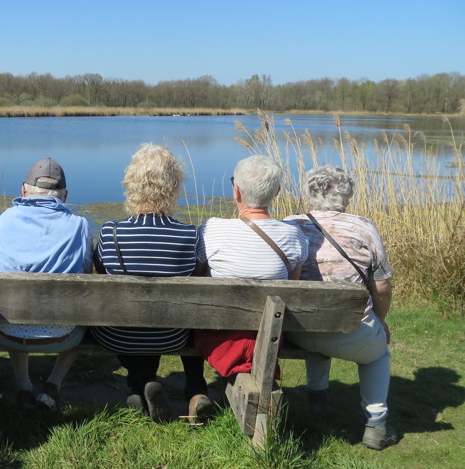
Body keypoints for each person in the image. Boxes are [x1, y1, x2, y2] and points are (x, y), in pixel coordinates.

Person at [284, 165, 397, 450]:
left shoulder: (289, 224)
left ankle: (317, 398)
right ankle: (376, 424)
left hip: (297, 329)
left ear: (310, 192)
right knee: (376, 355)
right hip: (351, 330)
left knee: (318, 321)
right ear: (347, 194)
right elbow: (382, 288)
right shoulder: (364, 226)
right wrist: (380, 322)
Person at [92, 143, 206, 422]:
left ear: (130, 183)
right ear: (174, 185)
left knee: (132, 316)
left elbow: (102, 272)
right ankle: (195, 388)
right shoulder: (190, 235)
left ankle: (138, 383)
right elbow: (198, 280)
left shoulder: (110, 232)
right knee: (190, 315)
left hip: (117, 335)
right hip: (170, 335)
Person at [194, 155, 307, 385]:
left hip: (219, 333)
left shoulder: (212, 230)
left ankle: (195, 387)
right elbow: (293, 287)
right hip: (270, 334)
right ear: (277, 192)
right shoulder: (294, 235)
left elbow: (197, 276)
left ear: (236, 192)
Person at [0, 158, 93, 409]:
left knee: (15, 304)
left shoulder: (2, 220)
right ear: (64, 195)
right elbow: (87, 273)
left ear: (23, 191)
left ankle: (24, 386)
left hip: (7, 330)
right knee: (85, 314)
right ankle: (52, 385)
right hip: (62, 334)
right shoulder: (80, 225)